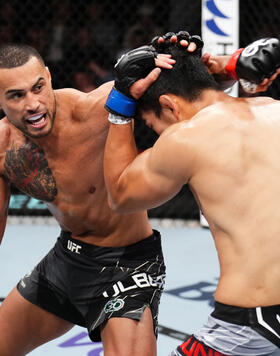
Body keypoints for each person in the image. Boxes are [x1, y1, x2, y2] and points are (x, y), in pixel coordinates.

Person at [0, 34, 275, 355]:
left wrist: (233, 64)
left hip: (129, 266)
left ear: (48, 76)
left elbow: (183, 83)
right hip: (66, 260)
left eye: (37, 88)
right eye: (16, 96)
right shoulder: (4, 147)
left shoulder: (101, 106)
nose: (33, 104)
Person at [103, 35, 280, 355]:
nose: (160, 134)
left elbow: (120, 195)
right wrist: (229, 68)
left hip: (250, 326)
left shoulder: (187, 138)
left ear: (168, 105)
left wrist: (121, 105)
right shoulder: (273, 108)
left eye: (152, 124)